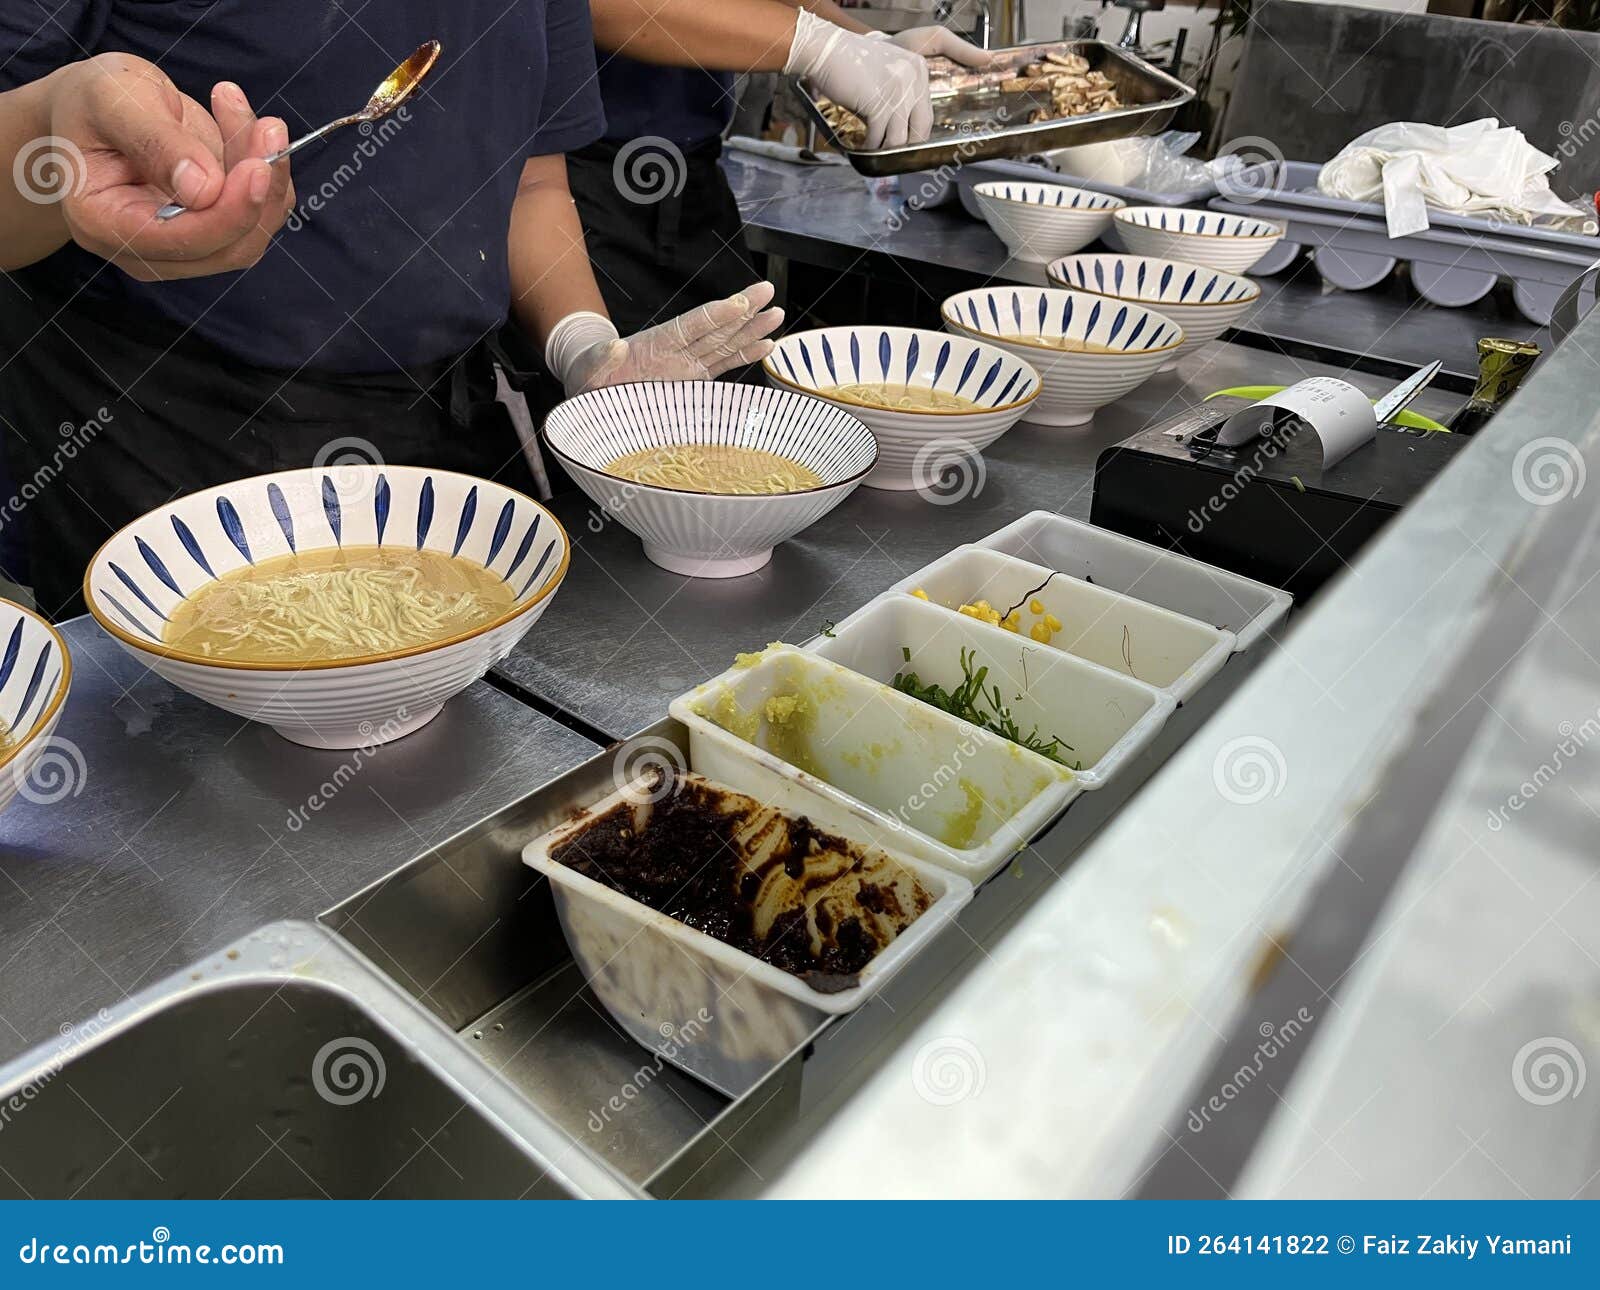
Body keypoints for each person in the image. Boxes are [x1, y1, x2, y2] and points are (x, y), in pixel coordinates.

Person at [0, 3, 781, 618]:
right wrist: (53, 120)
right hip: (174, 425)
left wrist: (584, 344)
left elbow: (532, 178)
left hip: (440, 419)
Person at [575, 0, 996, 335]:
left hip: (696, 183)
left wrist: (866, 42)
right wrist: (816, 47)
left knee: (742, 412)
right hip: (587, 188)